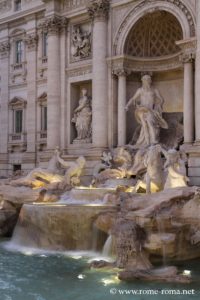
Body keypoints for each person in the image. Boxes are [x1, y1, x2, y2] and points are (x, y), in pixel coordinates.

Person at [125, 75, 168, 149]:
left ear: (150, 81)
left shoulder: (154, 90)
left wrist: (159, 105)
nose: (146, 82)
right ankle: (148, 142)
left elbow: (161, 99)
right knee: (144, 125)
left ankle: (152, 141)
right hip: (141, 109)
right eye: (145, 80)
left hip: (150, 110)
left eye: (148, 80)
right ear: (143, 81)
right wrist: (127, 105)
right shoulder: (140, 90)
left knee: (149, 123)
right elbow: (133, 98)